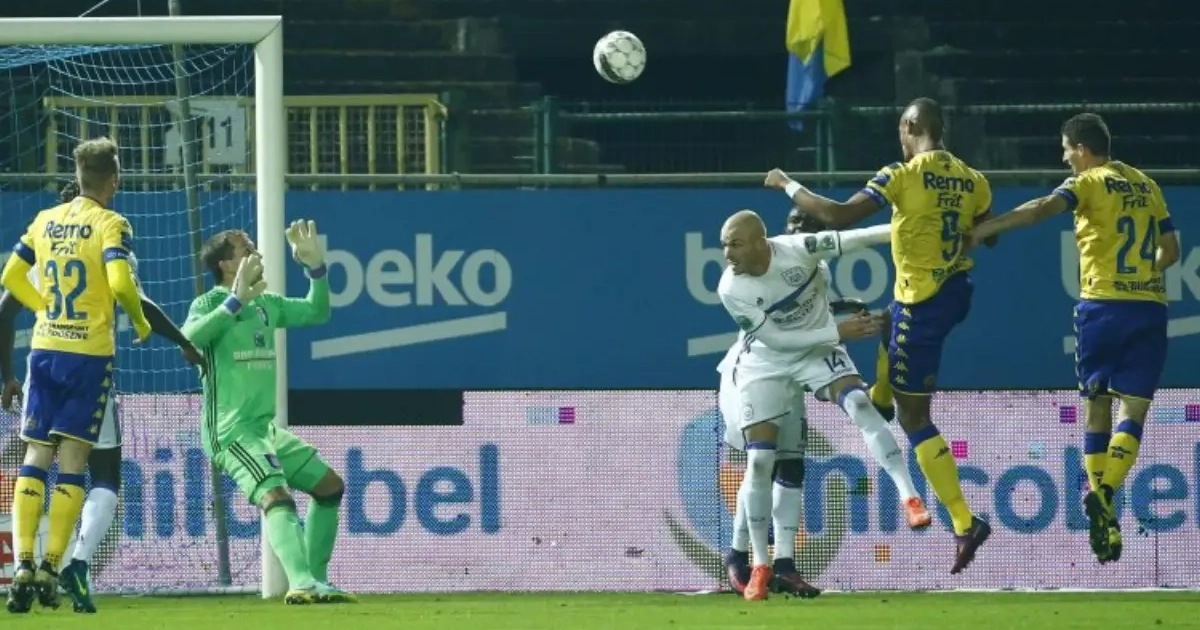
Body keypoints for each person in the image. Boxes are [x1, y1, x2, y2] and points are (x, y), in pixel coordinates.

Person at [763, 97, 995, 574]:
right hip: (958, 291)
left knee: (915, 417)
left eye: (901, 132)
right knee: (889, 321)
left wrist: (787, 184)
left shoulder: (901, 174)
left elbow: (837, 215)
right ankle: (882, 396)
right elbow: (987, 232)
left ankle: (964, 521)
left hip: (924, 304)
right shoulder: (974, 179)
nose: (900, 141)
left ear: (910, 127)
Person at [969, 113, 1179, 563]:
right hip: (1149, 306)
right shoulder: (1147, 185)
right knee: (1134, 410)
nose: (1064, 157)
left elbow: (1040, 209)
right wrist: (1145, 272)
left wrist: (986, 228)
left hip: (1102, 307)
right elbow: (1171, 251)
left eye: (1066, 149)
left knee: (1096, 408)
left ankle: (1099, 495)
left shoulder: (1088, 183)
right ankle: (1106, 503)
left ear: (1082, 149)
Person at [0, 179, 204, 613]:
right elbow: (136, 298)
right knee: (103, 474)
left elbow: (4, 307)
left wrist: (8, 376)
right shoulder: (107, 235)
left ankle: (25, 564)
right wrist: (182, 342)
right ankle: (69, 564)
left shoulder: (45, 243)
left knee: (36, 458)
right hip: (89, 368)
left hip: (43, 362)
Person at [720, 208, 929, 599]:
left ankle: (910, 497)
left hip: (814, 352)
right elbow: (778, 339)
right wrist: (837, 330)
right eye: (725, 245)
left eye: (735, 244)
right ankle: (750, 559)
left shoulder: (807, 256)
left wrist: (909, 226)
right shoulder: (731, 287)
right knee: (760, 459)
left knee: (833, 427)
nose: (727, 254)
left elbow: (857, 238)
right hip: (763, 362)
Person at [3, 137, 152, 613]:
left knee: (35, 455)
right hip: (88, 356)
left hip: (45, 350)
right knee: (72, 462)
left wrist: (43, 308)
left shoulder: (45, 220)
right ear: (115, 180)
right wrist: (140, 321)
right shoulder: (112, 223)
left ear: (77, 175)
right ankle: (51, 566)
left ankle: (22, 565)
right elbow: (120, 282)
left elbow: (9, 279)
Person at [183, 224, 352, 604]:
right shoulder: (209, 303)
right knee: (276, 496)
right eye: (247, 250)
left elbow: (317, 312)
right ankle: (301, 583)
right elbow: (189, 339)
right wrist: (233, 302)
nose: (257, 254)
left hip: (263, 429)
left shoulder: (266, 304)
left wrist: (316, 269)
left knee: (330, 486)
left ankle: (316, 582)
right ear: (227, 264)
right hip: (231, 431)